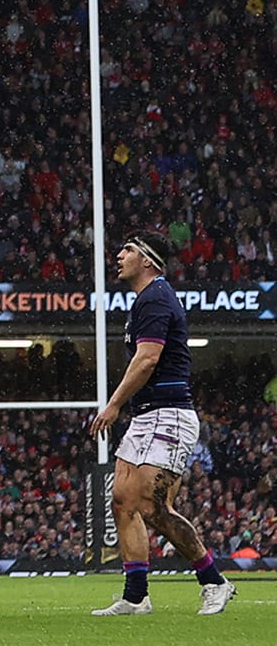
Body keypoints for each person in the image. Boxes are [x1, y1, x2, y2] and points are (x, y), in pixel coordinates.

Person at [85, 232, 234, 616]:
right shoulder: (144, 300)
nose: (118, 255)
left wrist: (113, 404)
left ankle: (214, 581)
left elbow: (148, 358)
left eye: (127, 249)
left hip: (168, 414)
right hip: (148, 414)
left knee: (154, 507)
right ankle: (136, 596)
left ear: (147, 260)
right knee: (122, 501)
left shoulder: (155, 297)